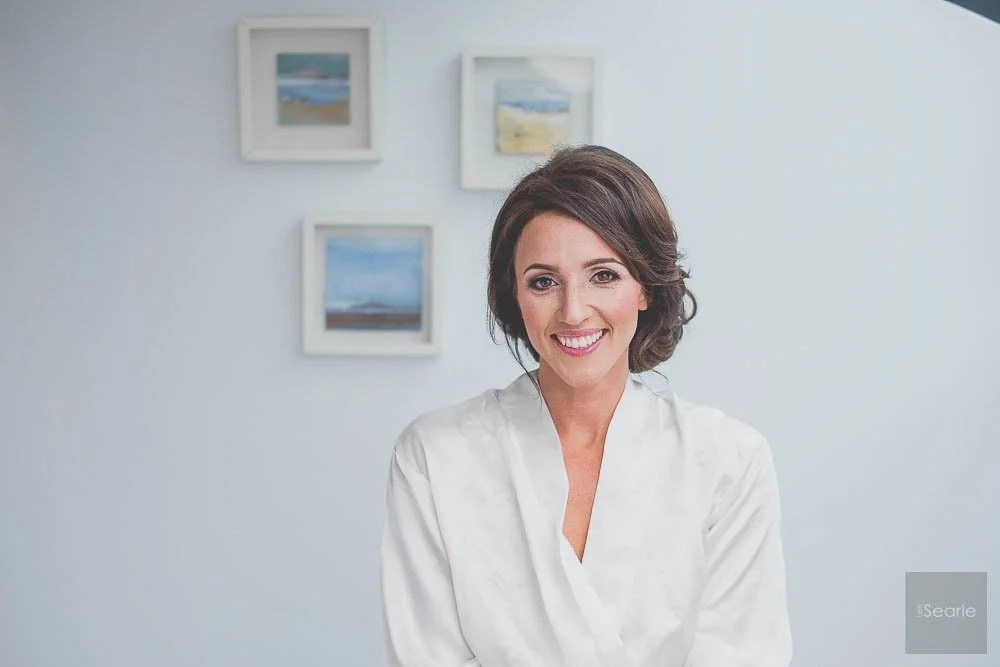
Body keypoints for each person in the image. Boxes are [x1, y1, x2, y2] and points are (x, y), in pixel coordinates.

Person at [379, 145, 793, 667]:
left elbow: (743, 653)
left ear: (645, 286)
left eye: (603, 275)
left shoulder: (729, 460)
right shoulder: (435, 457)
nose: (573, 311)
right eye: (544, 282)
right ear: (514, 297)